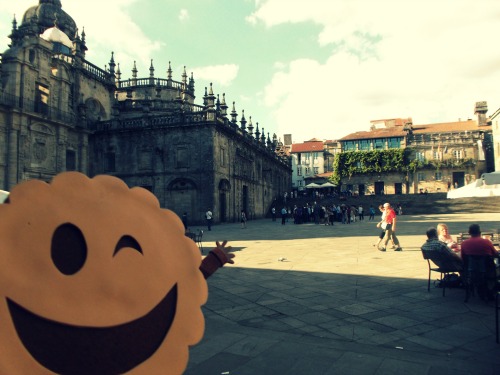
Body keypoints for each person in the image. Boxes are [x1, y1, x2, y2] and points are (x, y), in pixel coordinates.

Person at [460, 224, 499, 300]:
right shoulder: (487, 242)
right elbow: (495, 254)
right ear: (480, 232)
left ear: (469, 232)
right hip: (487, 271)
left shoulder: (464, 243)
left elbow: (463, 257)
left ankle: (471, 288)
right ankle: (492, 288)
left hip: (471, 271)